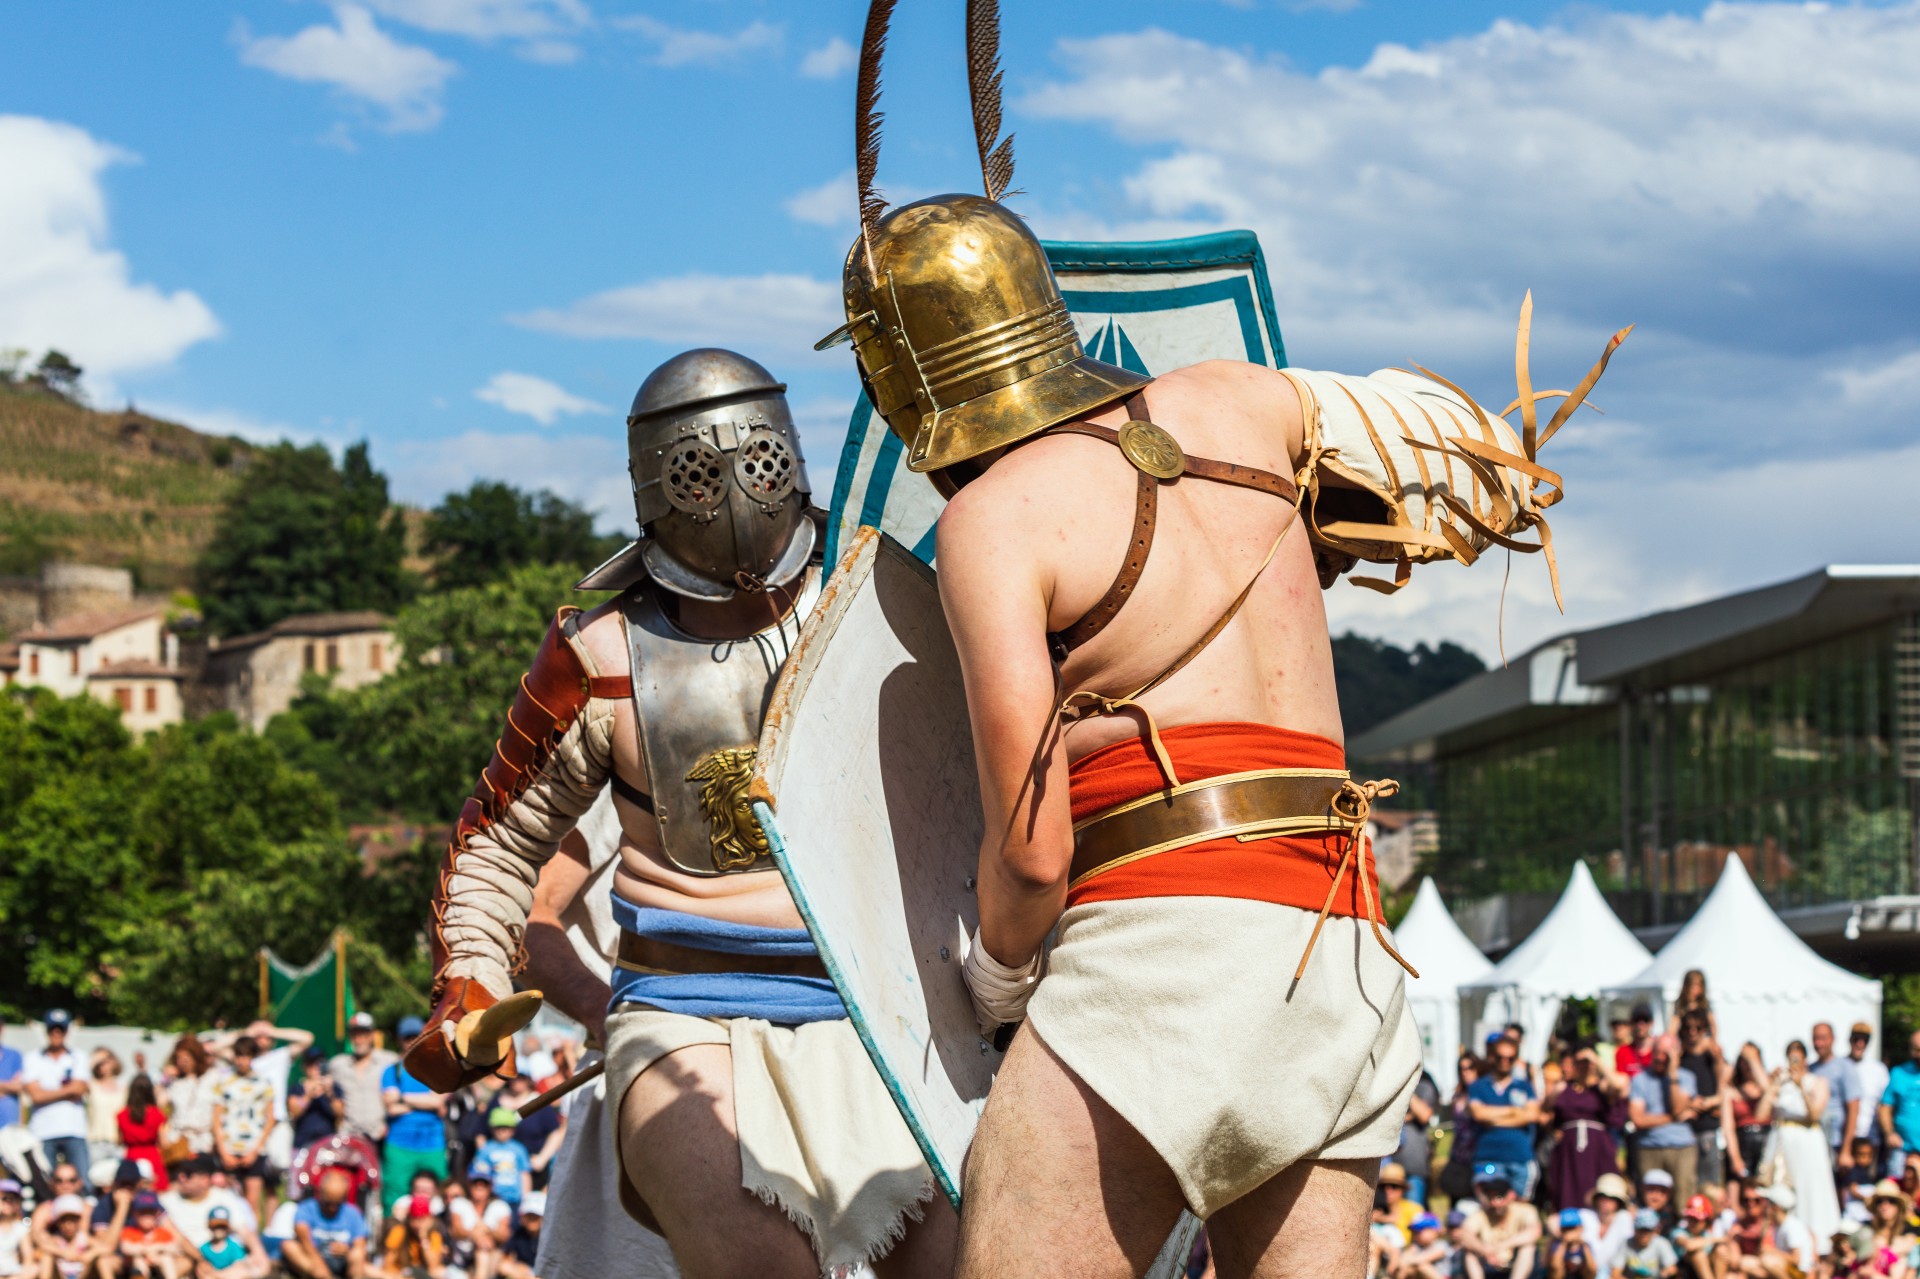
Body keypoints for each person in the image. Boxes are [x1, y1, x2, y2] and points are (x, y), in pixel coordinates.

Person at [406, 349, 951, 1278]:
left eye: (754, 460)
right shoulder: (603, 651)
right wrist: (470, 978)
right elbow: (498, 841)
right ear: (660, 485)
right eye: (702, 470)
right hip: (687, 1011)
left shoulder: (885, 593)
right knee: (756, 1264)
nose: (735, 487)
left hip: (891, 1010)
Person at [511, 801, 680, 1279]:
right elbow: (525, 910)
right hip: (639, 1072)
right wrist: (607, 1013)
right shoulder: (631, 757)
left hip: (807, 1067)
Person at [1773, 1038, 1843, 1247]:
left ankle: (1821, 1242)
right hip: (1787, 1142)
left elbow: (1814, 1114)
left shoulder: (1817, 1081)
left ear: (1805, 1058)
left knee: (1813, 1189)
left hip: (1809, 1141)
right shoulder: (1780, 1081)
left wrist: (1800, 1085)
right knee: (1788, 1190)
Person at [1548, 1045, 1629, 1211]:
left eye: (1587, 1063)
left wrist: (1596, 1061)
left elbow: (1620, 1086)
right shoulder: (1565, 1088)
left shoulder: (1601, 1087)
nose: (1584, 1066)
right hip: (1570, 1148)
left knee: (1599, 1185)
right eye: (1580, 1062)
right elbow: (1545, 1107)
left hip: (1597, 1146)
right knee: (1569, 1186)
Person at [380, 1022, 448, 1216]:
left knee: (438, 1193)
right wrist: (427, 1101)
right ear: (400, 1040)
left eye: (415, 1036)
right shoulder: (392, 1071)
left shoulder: (438, 1067)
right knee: (395, 1194)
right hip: (399, 1144)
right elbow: (390, 1107)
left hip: (432, 1143)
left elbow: (438, 1100)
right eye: (407, 1037)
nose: (411, 1042)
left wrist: (402, 1097)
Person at [210, 1038, 276, 1223]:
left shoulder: (263, 1083)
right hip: (229, 1148)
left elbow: (270, 1120)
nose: (242, 1061)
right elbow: (216, 1119)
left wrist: (255, 1151)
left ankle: (253, 1243)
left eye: (246, 1056)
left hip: (253, 1149)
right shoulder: (224, 1081)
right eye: (239, 1056)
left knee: (252, 1202)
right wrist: (223, 1151)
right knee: (227, 1200)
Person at [1629, 1036, 1700, 1202]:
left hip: (1682, 1147)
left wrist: (1673, 1073)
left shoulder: (1686, 1077)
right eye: (1657, 1052)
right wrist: (1673, 1118)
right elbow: (1638, 1120)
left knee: (1683, 1201)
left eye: (1666, 1054)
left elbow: (1677, 1107)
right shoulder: (1640, 1079)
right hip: (1649, 1147)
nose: (1660, 1058)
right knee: (1650, 1204)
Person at [1472, 1037, 1544, 1198]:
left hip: (1520, 1158)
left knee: (1520, 1210)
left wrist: (1493, 1118)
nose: (1504, 1062)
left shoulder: (1524, 1086)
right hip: (1489, 1158)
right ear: (1492, 1057)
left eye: (1510, 1058)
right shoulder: (1478, 1086)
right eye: (1500, 1057)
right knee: (1491, 1207)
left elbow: (1532, 1115)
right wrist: (1515, 1110)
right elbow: (1479, 1114)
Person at [23, 1012, 91, 1178]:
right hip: (42, 1131)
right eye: (52, 1029)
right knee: (45, 1184)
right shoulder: (32, 1058)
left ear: (67, 1031)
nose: (56, 1033)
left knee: (81, 1181)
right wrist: (68, 1091)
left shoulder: (78, 1056)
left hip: (74, 1129)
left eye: (61, 1029)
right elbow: (35, 1096)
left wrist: (47, 1092)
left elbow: (80, 1089)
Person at [159, 1156, 258, 1253]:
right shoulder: (165, 1201)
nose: (181, 1178)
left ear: (205, 1179)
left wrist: (258, 1254)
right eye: (178, 1173)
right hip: (185, 1255)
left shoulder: (224, 1197)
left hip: (220, 1254)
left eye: (187, 1174)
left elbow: (244, 1231)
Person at [1675, 1013, 1727, 1193]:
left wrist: (1709, 1102)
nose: (1692, 1032)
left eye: (1698, 1028)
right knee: (1687, 1184)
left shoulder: (1711, 1057)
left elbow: (1723, 1088)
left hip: (1707, 1127)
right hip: (1686, 1129)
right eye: (1688, 1028)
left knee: (1709, 1185)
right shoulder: (1679, 1059)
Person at [1460, 1169, 1543, 1279]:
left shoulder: (1525, 1210)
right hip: (1488, 1263)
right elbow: (1464, 1236)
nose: (1495, 1202)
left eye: (1500, 1197)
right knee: (1469, 1252)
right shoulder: (1480, 1215)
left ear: (1511, 1195)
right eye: (1491, 1197)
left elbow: (1535, 1232)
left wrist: (1502, 1246)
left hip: (1515, 1262)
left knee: (1528, 1247)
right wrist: (1485, 1251)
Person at [286, 1169, 368, 1279]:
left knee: (357, 1254)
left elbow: (361, 1246)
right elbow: (304, 1239)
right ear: (320, 1194)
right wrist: (318, 1263)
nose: (332, 1208)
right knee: (288, 1246)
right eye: (328, 1203)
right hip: (314, 1259)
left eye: (337, 1203)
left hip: (343, 1263)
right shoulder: (306, 1208)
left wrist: (347, 1250)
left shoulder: (353, 1213)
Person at [327, 1016, 394, 1148]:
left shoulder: (388, 1061)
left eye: (363, 1034)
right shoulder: (338, 1064)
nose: (359, 1040)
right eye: (354, 1035)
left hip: (378, 1135)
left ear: (371, 1036)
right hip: (348, 1135)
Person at [1813, 1024, 1864, 1177]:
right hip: (1815, 1142)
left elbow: (1853, 1109)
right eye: (1815, 1039)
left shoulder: (1844, 1067)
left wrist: (1846, 1150)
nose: (1818, 1043)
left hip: (1836, 1143)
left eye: (1823, 1038)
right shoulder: (1810, 1069)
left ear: (1832, 1039)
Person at [1727, 1044, 1778, 1185]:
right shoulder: (1731, 1090)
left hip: (1766, 1139)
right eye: (1744, 1060)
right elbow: (1728, 1128)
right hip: (1743, 1142)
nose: (1748, 1064)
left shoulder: (1768, 1083)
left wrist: (1753, 1060)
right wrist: (1735, 1158)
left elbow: (1769, 1093)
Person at [161, 1038, 221, 1158]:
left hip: (203, 1143)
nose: (183, 1062)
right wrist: (164, 1079)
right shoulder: (174, 1083)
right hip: (177, 1142)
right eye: (179, 1058)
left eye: (186, 1057)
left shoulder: (212, 1077)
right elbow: (159, 1106)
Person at [1441, 1055, 1486, 1205]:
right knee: (1455, 1197)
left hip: (1478, 1154)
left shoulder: (1484, 1092)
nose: (1465, 1072)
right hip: (1459, 1154)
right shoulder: (1458, 1095)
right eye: (1461, 1068)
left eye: (1470, 1068)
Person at [445, 1175, 510, 1279]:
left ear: (490, 1187)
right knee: (483, 1248)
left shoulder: (500, 1206)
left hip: (491, 1257)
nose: (479, 1186)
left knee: (484, 1251)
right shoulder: (460, 1204)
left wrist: (486, 1231)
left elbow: (504, 1235)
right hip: (463, 1258)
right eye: (476, 1183)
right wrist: (477, 1235)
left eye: (484, 1184)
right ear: (469, 1186)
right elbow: (456, 1231)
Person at [1393, 1070, 1440, 1209]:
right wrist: (1411, 1115)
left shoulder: (1424, 1087)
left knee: (1415, 1212)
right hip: (1388, 1167)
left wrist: (1407, 1088)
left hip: (1414, 1167)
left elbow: (1424, 1114)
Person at [1847, 1026, 1889, 1176]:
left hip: (1871, 1139)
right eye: (1856, 1039)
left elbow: (1885, 1104)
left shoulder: (1878, 1070)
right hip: (1846, 1139)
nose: (1859, 1043)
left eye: (1864, 1040)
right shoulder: (1842, 1066)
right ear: (1850, 1040)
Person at [114, 1078, 167, 1193]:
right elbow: (163, 1142)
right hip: (153, 1156)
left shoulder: (122, 1114)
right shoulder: (156, 1113)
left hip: (131, 1157)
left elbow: (119, 1141)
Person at [466, 1114, 528, 1210]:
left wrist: (525, 1199)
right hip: (493, 1198)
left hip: (514, 1198)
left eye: (506, 1127)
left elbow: (524, 1174)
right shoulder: (486, 1149)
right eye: (498, 1127)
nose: (502, 1131)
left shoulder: (518, 1149)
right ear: (492, 1129)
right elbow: (479, 1172)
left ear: (513, 1130)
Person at [114, 1192, 182, 1279]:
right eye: (142, 1213)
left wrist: (159, 1247)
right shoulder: (130, 1231)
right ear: (134, 1214)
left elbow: (175, 1248)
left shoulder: (162, 1232)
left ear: (157, 1214)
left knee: (166, 1258)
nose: (147, 1217)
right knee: (138, 1260)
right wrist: (144, 1250)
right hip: (136, 1267)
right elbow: (125, 1248)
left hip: (158, 1263)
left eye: (150, 1213)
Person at [376, 1197, 448, 1279]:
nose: (417, 1224)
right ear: (409, 1218)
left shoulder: (434, 1235)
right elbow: (387, 1264)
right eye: (414, 1218)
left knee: (440, 1272)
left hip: (424, 1275)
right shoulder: (399, 1231)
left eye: (422, 1219)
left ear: (430, 1219)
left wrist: (423, 1238)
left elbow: (433, 1266)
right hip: (401, 1274)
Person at [1881, 1033, 1920, 1178]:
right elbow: (1885, 1107)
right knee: (1896, 1191)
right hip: (1902, 1148)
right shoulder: (1899, 1073)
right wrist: (1890, 1133)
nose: (1918, 1054)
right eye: (1916, 1050)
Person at [1585, 1173, 1638, 1277]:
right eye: (1602, 1196)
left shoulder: (1624, 1218)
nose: (1605, 1200)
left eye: (1611, 1197)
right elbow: (1553, 1221)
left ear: (1618, 1201)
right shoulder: (1587, 1216)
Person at [289, 1051, 341, 1153]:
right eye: (311, 1064)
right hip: (302, 1144)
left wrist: (330, 1093)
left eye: (320, 1064)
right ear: (304, 1067)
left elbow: (340, 1113)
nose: (316, 1067)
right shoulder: (297, 1088)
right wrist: (308, 1095)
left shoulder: (333, 1088)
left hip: (328, 1145)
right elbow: (294, 1112)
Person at [86, 1052, 129, 1176]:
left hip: (117, 1143)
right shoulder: (91, 1085)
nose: (102, 1065)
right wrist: (95, 1059)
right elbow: (81, 1074)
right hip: (96, 1142)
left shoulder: (123, 1088)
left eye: (106, 1061)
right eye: (100, 1063)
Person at [197, 1204, 267, 1278]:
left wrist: (218, 1274)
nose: (219, 1230)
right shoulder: (204, 1248)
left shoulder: (233, 1247)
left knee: (240, 1272)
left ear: (228, 1228)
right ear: (209, 1226)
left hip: (228, 1275)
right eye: (216, 1226)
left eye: (222, 1226)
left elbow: (239, 1265)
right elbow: (201, 1267)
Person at [37, 1195, 97, 1279]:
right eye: (64, 1221)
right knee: (47, 1256)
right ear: (58, 1223)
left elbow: (105, 1248)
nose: (68, 1226)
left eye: (73, 1220)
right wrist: (63, 1253)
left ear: (79, 1221)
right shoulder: (56, 1239)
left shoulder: (83, 1238)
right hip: (61, 1275)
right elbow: (43, 1246)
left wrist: (91, 1254)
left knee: (101, 1259)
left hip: (81, 1275)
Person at [1617, 1207, 1678, 1278]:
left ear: (1655, 1231)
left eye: (1648, 1230)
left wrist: (1665, 1273)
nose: (1644, 1234)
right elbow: (1615, 1274)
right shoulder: (1626, 1243)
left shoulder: (1662, 1243)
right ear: (1635, 1230)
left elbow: (1673, 1269)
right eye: (1641, 1230)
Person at [1670, 1195, 1718, 1279]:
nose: (1692, 1222)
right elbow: (1689, 1245)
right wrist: (1715, 1240)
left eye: (1696, 1219)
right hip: (1683, 1271)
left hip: (1702, 1272)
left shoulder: (1707, 1234)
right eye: (1690, 1218)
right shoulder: (1678, 1232)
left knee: (1721, 1251)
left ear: (1706, 1221)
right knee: (1698, 1255)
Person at [495, 1192, 541, 1279]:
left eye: (536, 1216)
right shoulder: (518, 1234)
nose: (532, 1219)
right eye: (529, 1215)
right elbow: (505, 1260)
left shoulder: (550, 1239)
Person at [1391, 1212, 1449, 1279]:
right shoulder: (1416, 1246)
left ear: (1433, 1230)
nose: (1415, 1235)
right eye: (1414, 1232)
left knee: (1421, 1266)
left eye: (1418, 1231)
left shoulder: (1442, 1245)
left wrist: (1406, 1261)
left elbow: (1421, 1259)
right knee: (1407, 1269)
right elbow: (1402, 1260)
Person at [1545, 1207, 1598, 1279]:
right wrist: (1564, 1243)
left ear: (1580, 1228)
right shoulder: (1557, 1243)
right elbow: (1555, 1266)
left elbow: (1592, 1269)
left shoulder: (1585, 1245)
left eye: (1572, 1228)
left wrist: (1583, 1244)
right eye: (1565, 1229)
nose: (1569, 1232)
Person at [1377, 1163, 1423, 1242]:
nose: (1388, 1190)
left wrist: (1388, 1220)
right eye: (1384, 1186)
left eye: (1394, 1186)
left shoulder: (1414, 1209)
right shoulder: (1375, 1209)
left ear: (1403, 1190)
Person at [0, 1179, 34, 1279]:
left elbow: (28, 1257)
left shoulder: (20, 1227)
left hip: (13, 1274)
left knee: (34, 1269)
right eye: (5, 1199)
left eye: (14, 1199)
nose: (9, 1202)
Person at [1671, 973, 1716, 1045]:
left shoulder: (1704, 1004)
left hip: (1703, 1043)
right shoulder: (1681, 1004)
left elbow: (1713, 1025)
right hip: (1685, 1043)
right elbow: (1673, 1027)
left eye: (1698, 986)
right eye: (1693, 986)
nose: (1695, 989)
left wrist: (1712, 1041)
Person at [1619, 1008, 1657, 1079]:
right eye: (1637, 1021)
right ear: (1631, 1023)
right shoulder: (1623, 1051)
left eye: (1645, 1020)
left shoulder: (1658, 1051)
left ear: (1651, 1023)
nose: (1640, 1025)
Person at [1640, 1169, 1678, 1235]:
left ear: (1670, 1194)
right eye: (1651, 1189)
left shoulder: (1675, 1219)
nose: (1656, 1195)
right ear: (1642, 1189)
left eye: (1662, 1191)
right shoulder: (1631, 1215)